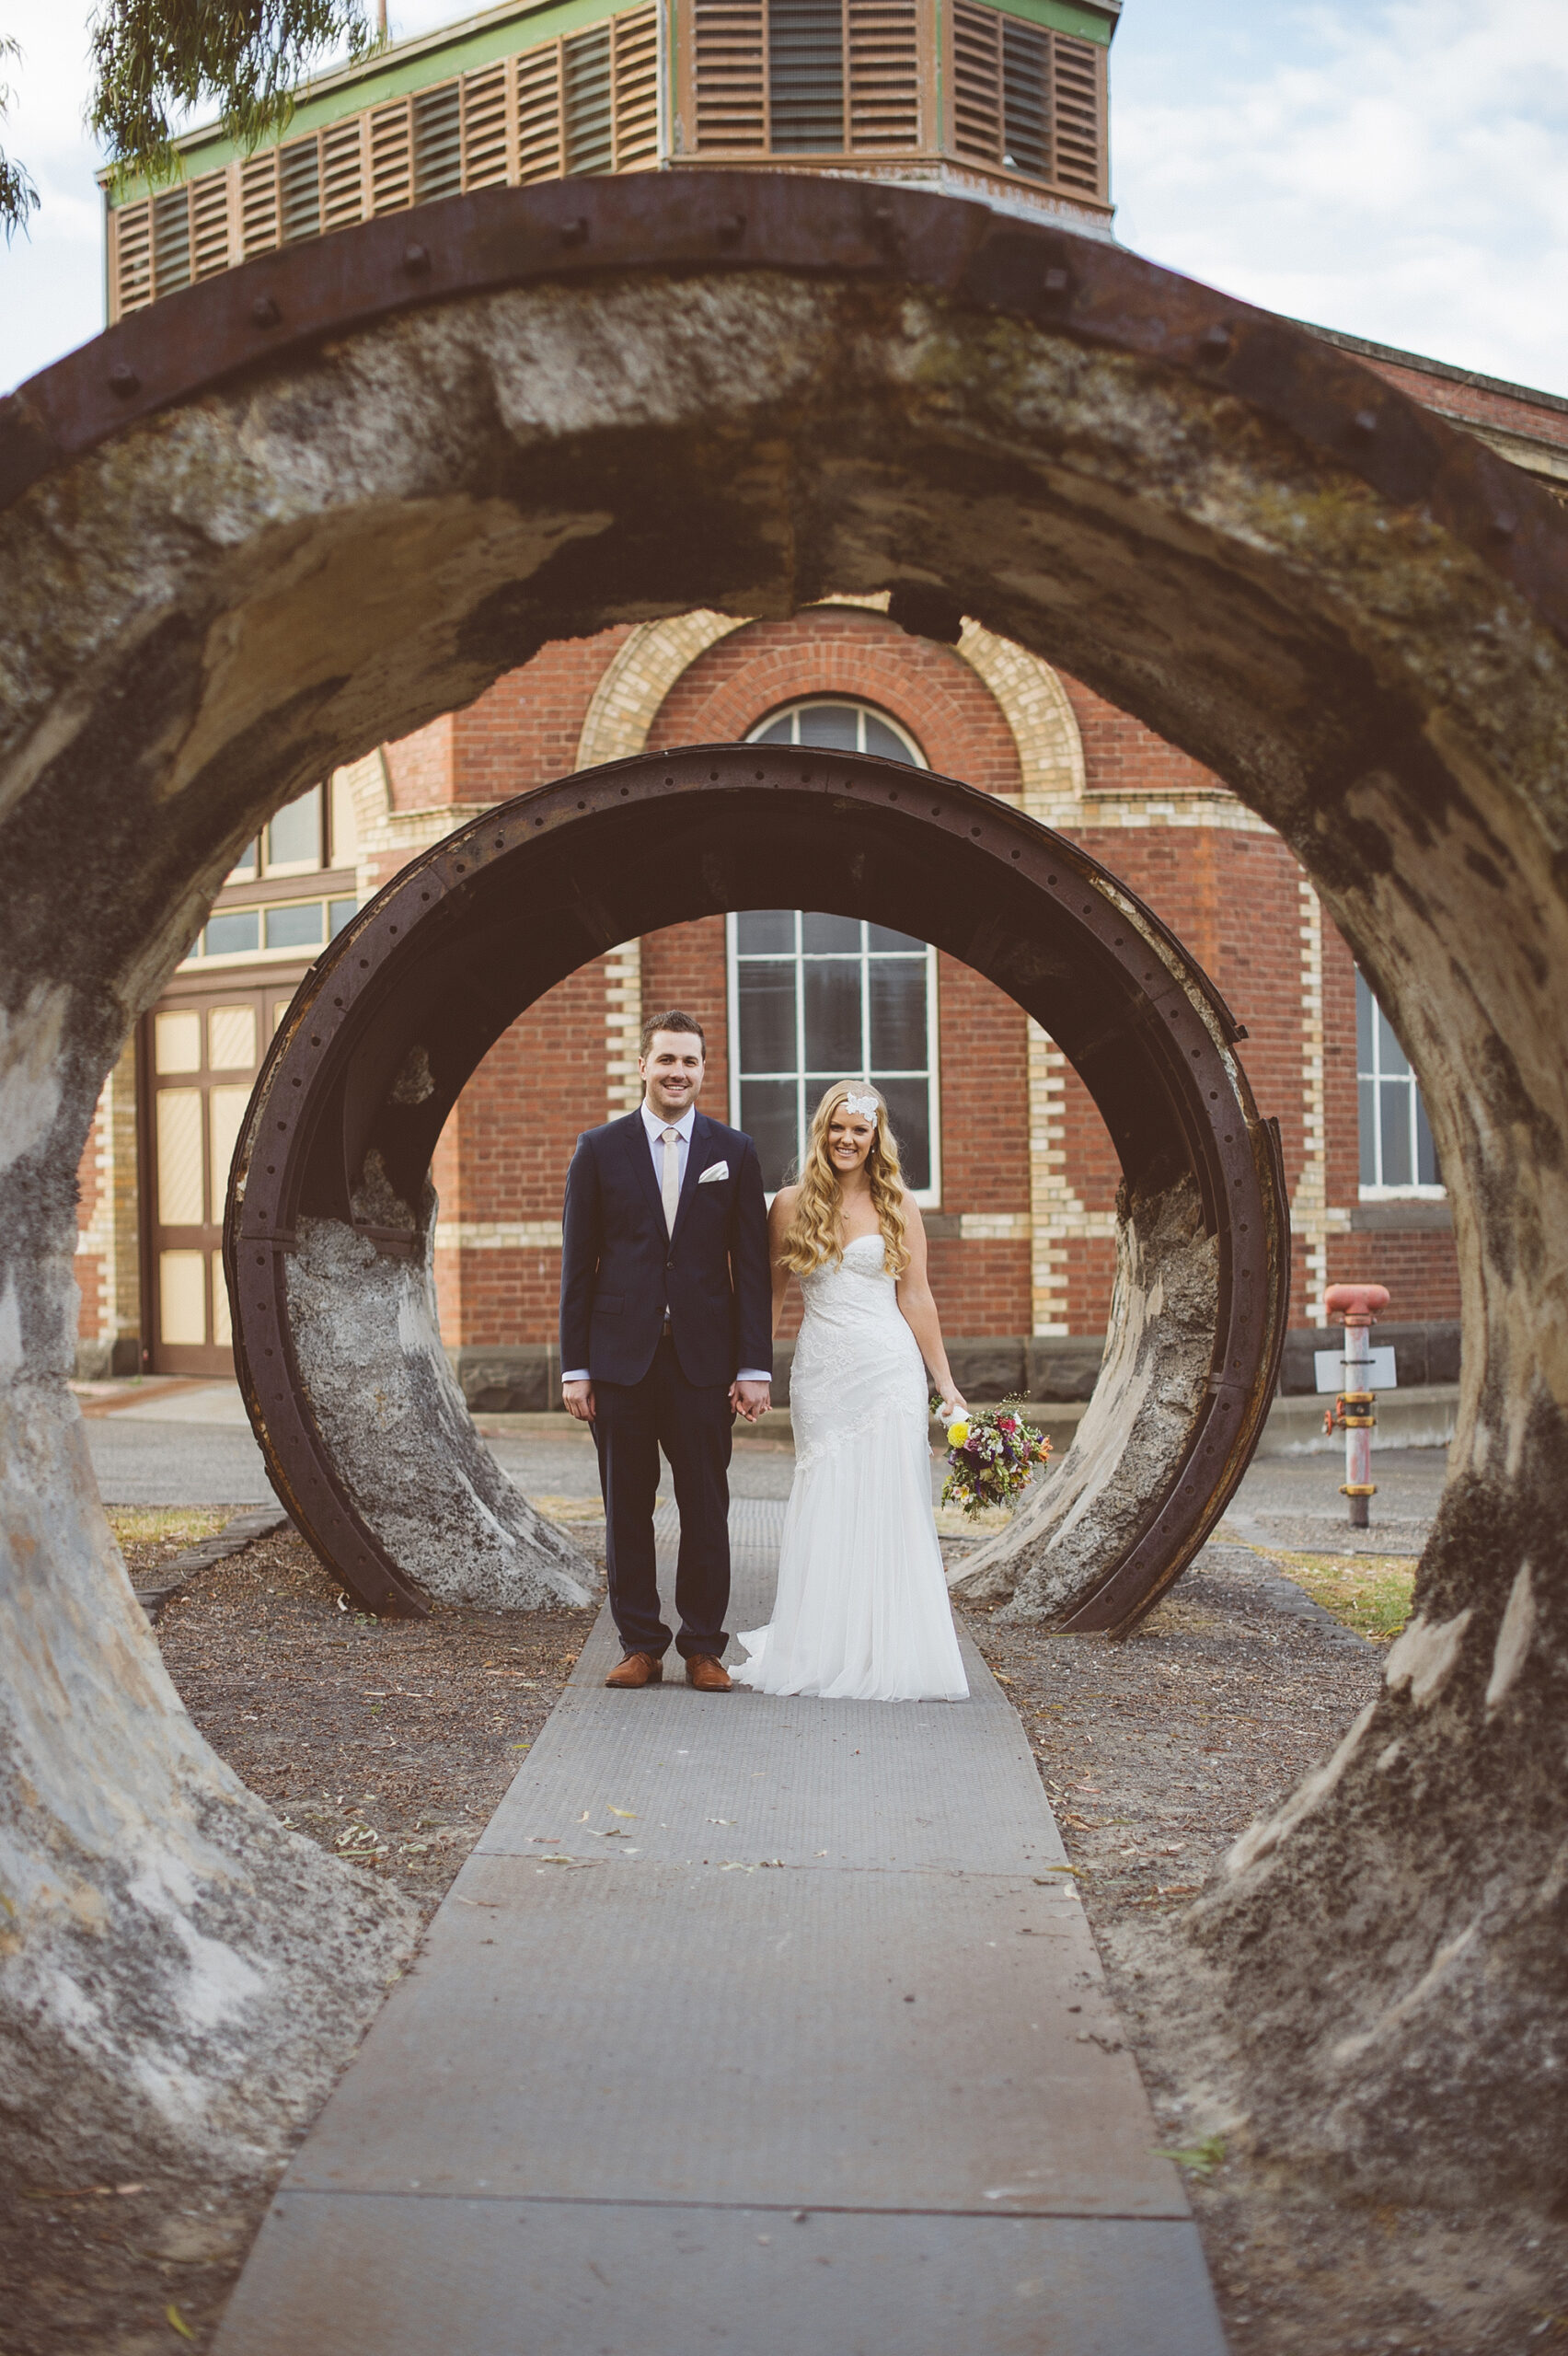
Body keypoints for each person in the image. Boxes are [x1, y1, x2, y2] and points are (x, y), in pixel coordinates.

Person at [732, 1083, 970, 1703]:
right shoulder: (789, 1204)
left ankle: (887, 1645)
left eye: (858, 1131)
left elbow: (916, 1297)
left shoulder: (898, 1204)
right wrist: (752, 1370)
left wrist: (945, 1384)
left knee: (889, 1499)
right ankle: (825, 1642)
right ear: (822, 1131)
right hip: (822, 1375)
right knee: (829, 1493)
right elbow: (771, 1297)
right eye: (837, 1128)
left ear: (875, 1138)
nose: (846, 1139)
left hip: (888, 1372)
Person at [559, 1011, 771, 1690]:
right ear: (643, 1066)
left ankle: (703, 1646)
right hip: (620, 1361)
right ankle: (640, 1644)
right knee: (627, 1507)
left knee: (706, 1505)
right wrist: (575, 1367)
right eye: (667, 1060)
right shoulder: (599, 1148)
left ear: (705, 1070)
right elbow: (578, 1265)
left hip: (704, 1365)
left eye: (691, 1061)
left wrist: (754, 1366)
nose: (679, 1072)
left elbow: (753, 1269)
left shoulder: (733, 1152)